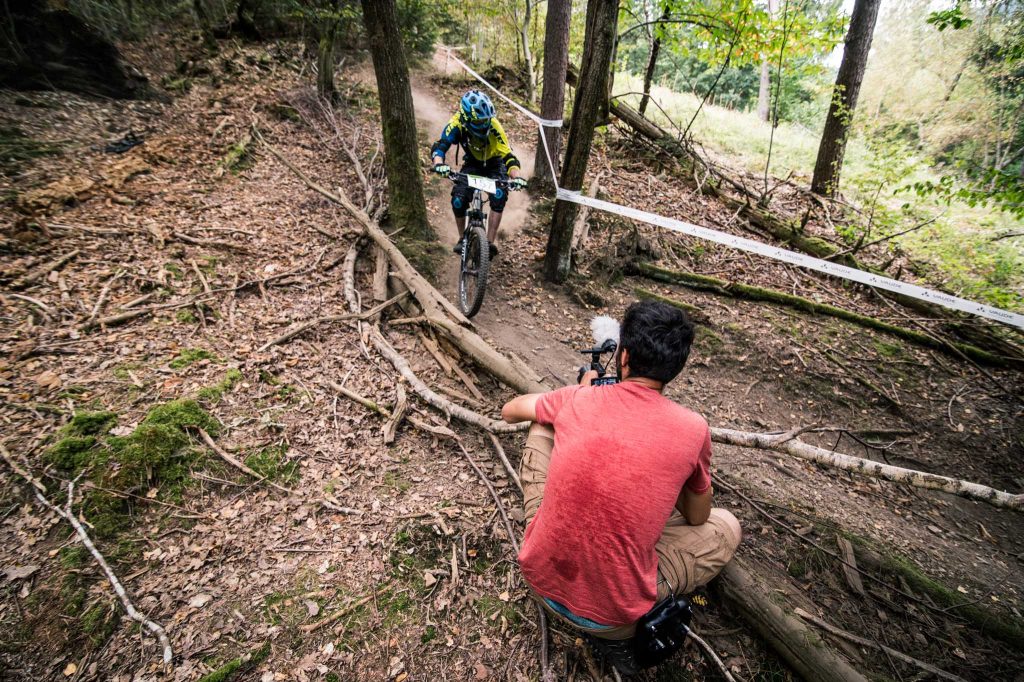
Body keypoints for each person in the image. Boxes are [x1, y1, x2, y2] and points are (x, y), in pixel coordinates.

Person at [500, 301, 741, 646]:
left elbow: (511, 411)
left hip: (539, 582)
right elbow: (698, 515)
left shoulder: (576, 400)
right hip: (613, 620)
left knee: (543, 423)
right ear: (676, 367)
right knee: (726, 526)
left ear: (623, 356)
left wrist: (580, 393)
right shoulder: (694, 428)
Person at [430, 89, 527, 259]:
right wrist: (439, 165)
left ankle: (488, 243)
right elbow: (441, 146)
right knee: (459, 200)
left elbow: (509, 157)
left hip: (495, 163)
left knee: (499, 195)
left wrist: (516, 177)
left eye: (486, 120)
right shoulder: (456, 123)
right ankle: (462, 239)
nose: (485, 124)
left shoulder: (494, 125)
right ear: (467, 118)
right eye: (480, 121)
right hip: (473, 163)